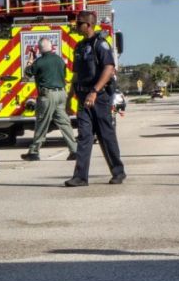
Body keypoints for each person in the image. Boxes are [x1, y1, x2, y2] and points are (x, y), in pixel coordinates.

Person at [65, 10, 126, 187]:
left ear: (89, 25)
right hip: (83, 98)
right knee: (84, 136)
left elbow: (109, 69)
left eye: (79, 24)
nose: (76, 27)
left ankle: (118, 172)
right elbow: (76, 75)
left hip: (99, 97)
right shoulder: (79, 46)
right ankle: (80, 177)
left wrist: (94, 91)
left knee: (106, 136)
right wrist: (70, 97)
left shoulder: (101, 45)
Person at [21, 37, 77, 161]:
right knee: (64, 122)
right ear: (51, 47)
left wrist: (30, 61)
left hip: (47, 95)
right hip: (61, 93)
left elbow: (28, 73)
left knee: (42, 122)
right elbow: (64, 74)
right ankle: (74, 150)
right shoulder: (60, 60)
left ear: (39, 49)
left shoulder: (39, 62)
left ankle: (34, 152)